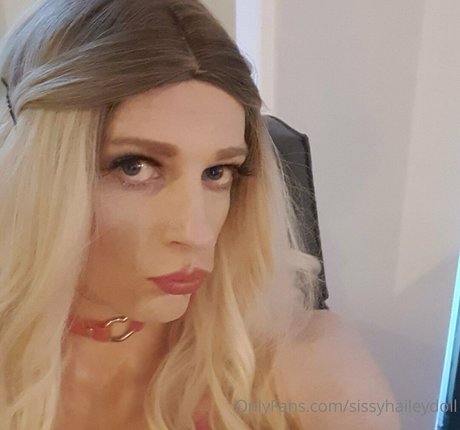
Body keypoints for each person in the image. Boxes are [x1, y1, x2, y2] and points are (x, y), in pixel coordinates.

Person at [0, 0, 401, 429]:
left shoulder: (304, 363)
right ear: (31, 171)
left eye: (217, 172)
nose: (198, 234)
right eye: (135, 167)